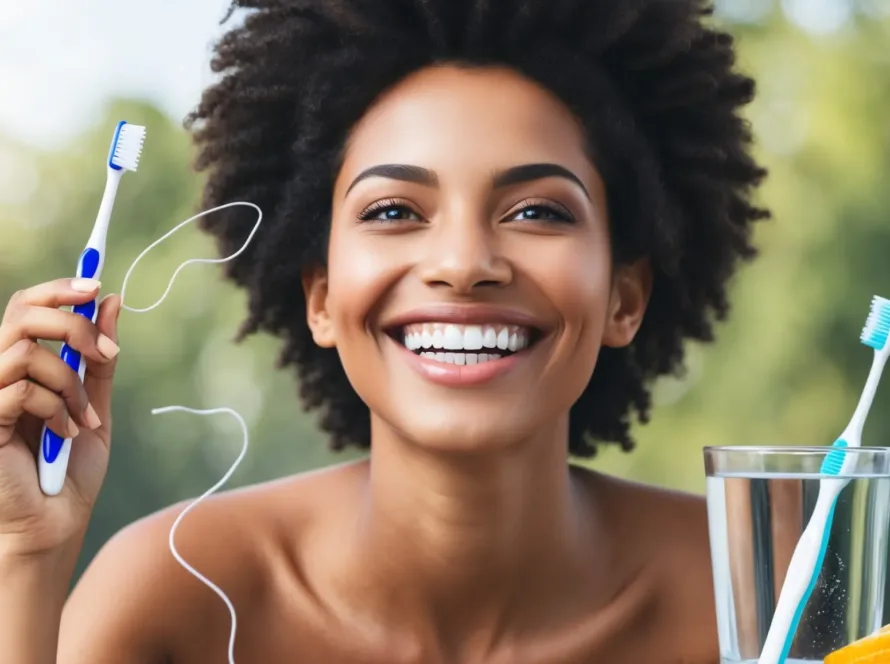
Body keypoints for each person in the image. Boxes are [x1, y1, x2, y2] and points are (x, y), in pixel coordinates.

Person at [0, 0, 769, 661]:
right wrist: (26, 559)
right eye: (394, 211)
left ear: (624, 299)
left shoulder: (763, 592)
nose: (464, 264)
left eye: (537, 211)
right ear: (323, 297)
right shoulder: (171, 595)